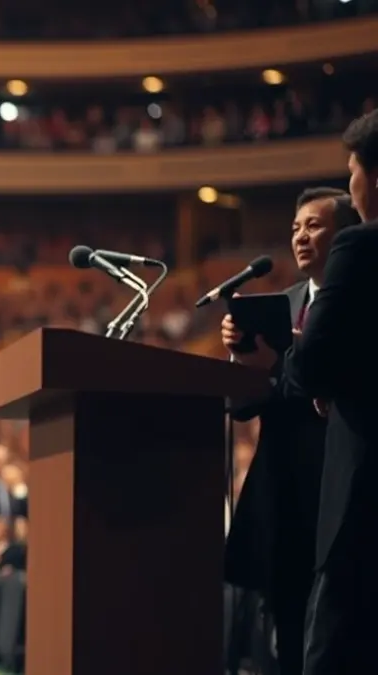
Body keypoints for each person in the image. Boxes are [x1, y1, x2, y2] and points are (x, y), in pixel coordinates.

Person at [222, 187, 360, 675]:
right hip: (281, 491)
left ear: (346, 236)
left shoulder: (357, 302)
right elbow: (244, 404)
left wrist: (280, 364)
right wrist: (240, 363)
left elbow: (334, 382)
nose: (301, 236)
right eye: (296, 227)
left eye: (315, 226)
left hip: (336, 484)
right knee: (283, 629)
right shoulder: (282, 304)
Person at [286, 110, 378, 674]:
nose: (351, 184)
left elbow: (311, 365)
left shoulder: (359, 248)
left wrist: (303, 366)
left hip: (362, 490)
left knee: (336, 652)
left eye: (353, 172)